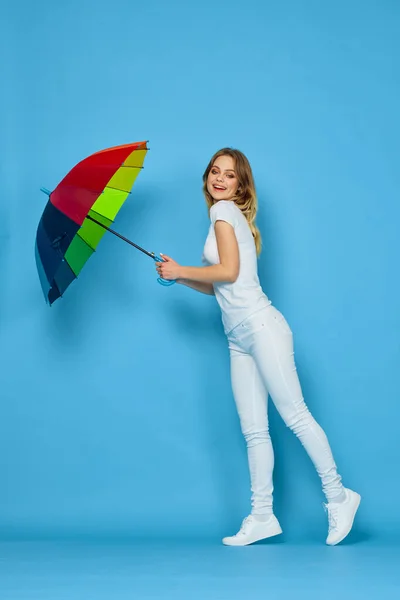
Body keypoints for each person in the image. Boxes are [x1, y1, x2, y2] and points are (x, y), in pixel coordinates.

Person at [155, 148, 361, 546]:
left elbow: (227, 271)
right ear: (207, 177)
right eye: (215, 172)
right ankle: (263, 516)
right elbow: (221, 284)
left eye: (229, 175)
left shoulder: (223, 213)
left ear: (240, 185)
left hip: (262, 327)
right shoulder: (222, 218)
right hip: (238, 336)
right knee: (254, 430)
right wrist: (178, 276)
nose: (219, 179)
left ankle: (339, 496)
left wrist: (182, 269)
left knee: (295, 416)